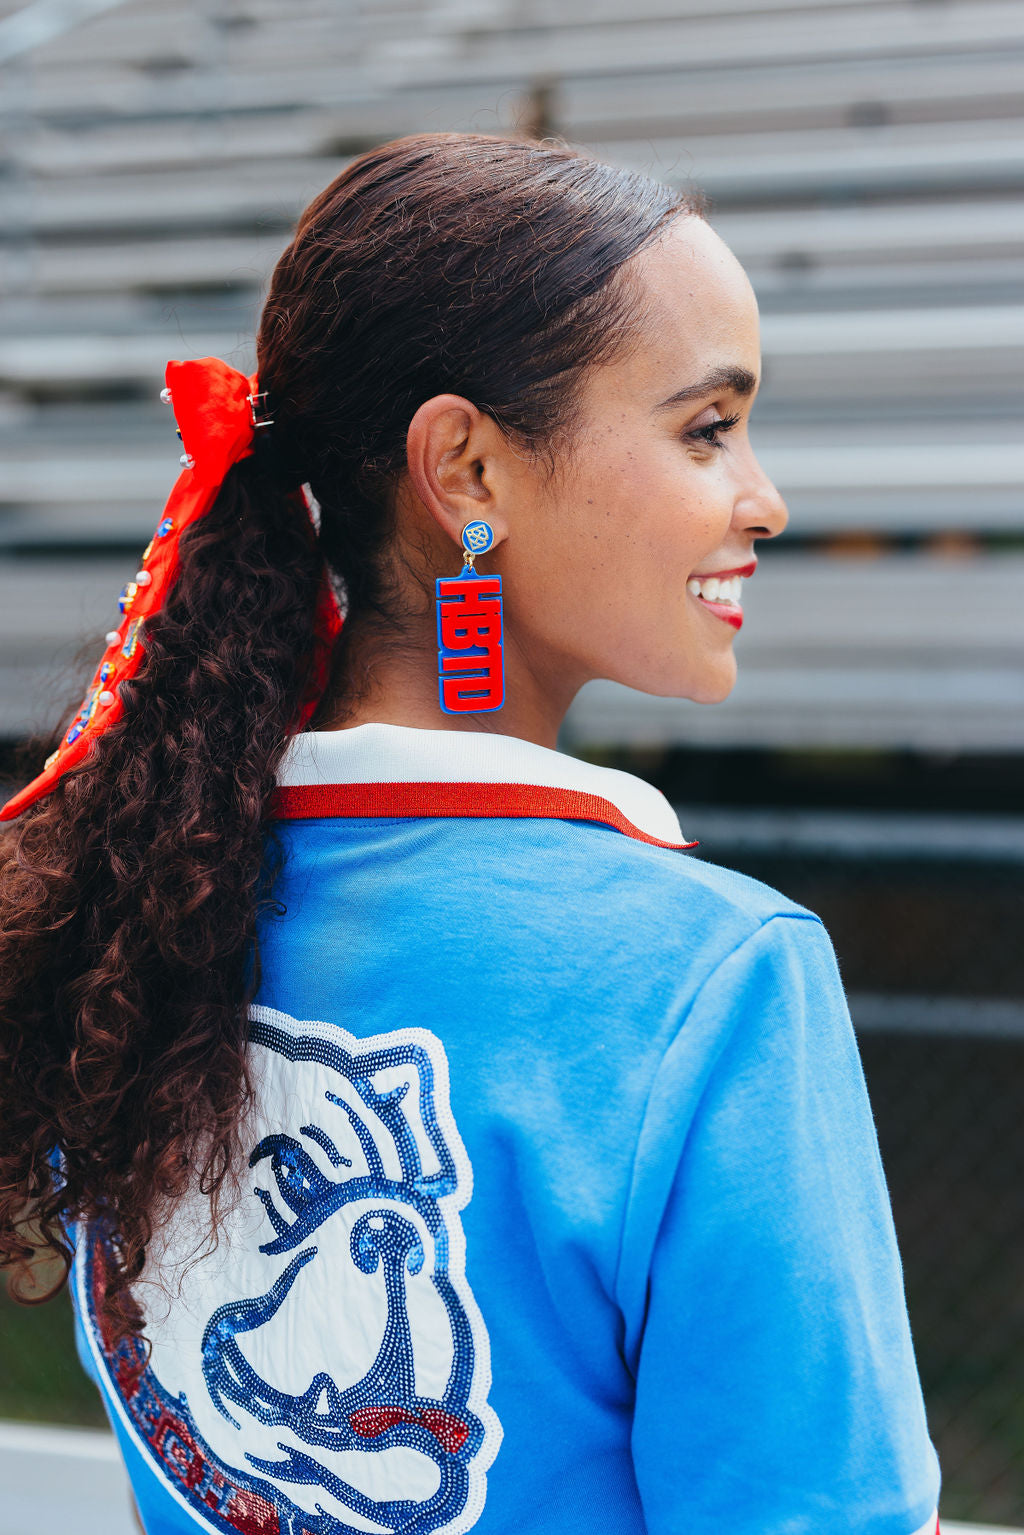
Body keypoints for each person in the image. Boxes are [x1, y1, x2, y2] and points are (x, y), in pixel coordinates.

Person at [0, 133, 940, 1535]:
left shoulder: (124, 918)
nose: (766, 499)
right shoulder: (714, 974)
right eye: (706, 428)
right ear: (470, 474)